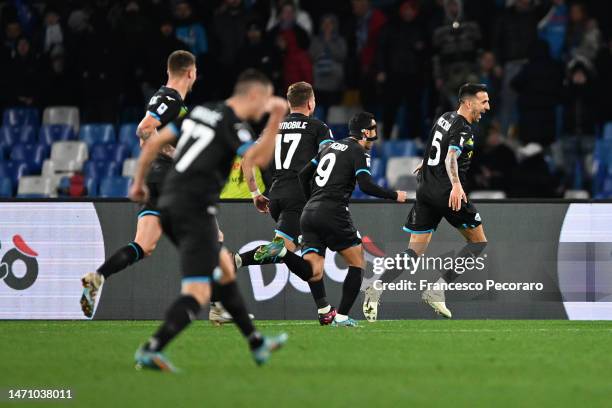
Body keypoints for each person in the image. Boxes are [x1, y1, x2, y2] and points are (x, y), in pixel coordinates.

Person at [129, 69, 289, 371]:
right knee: (197, 292)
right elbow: (259, 160)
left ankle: (256, 343)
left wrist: (138, 183)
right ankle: (151, 349)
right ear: (254, 96)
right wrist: (276, 118)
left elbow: (152, 141)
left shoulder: (201, 110)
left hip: (168, 201)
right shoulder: (234, 125)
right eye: (264, 102)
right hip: (194, 207)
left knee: (226, 269)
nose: (262, 109)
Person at [257, 112, 407, 326]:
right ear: (365, 133)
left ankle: (282, 251)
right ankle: (343, 316)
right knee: (358, 261)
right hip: (334, 212)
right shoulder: (359, 150)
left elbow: (303, 175)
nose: (375, 135)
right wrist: (395, 195)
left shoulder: (330, 146)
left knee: (313, 271)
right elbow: (365, 185)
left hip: (308, 213)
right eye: (373, 130)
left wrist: (311, 201)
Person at [80, 50, 196, 318]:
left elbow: (147, 141)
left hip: (155, 177)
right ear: (190, 73)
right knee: (210, 237)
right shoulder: (170, 98)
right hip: (169, 179)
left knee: (144, 245)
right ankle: (219, 305)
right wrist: (176, 157)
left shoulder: (163, 98)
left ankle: (97, 277)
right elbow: (144, 129)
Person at [362, 83, 490, 321]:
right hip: (448, 193)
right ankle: (437, 289)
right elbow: (451, 156)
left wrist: (426, 164)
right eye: (484, 102)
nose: (487, 107)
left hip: (426, 189)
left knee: (413, 251)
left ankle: (375, 288)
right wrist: (456, 185)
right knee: (478, 243)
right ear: (468, 102)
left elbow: (433, 145)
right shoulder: (463, 128)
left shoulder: (445, 118)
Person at [236, 81, 336, 324]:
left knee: (312, 252)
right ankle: (237, 260)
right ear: (311, 103)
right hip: (300, 198)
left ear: (290, 103)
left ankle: (324, 309)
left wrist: (255, 193)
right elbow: (329, 159)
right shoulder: (318, 127)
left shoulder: (275, 126)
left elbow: (247, 158)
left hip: (276, 195)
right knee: (284, 251)